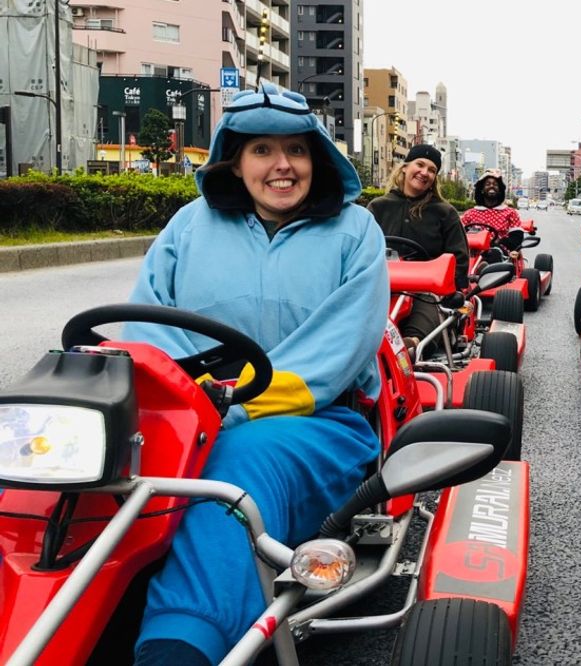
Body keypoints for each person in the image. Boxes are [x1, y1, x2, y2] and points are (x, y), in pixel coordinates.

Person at [125, 84, 389, 666]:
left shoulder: (356, 231)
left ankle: (184, 640)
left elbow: (340, 346)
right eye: (262, 150)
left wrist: (235, 406)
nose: (281, 166)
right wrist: (194, 399)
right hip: (189, 413)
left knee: (232, 470)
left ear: (316, 158)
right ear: (236, 161)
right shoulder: (189, 226)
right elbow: (147, 320)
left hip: (321, 419)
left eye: (295, 149)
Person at [368, 144, 469, 355]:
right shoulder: (379, 207)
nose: (425, 173)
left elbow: (458, 256)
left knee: (430, 308)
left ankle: (411, 346)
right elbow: (361, 249)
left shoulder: (444, 212)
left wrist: (455, 291)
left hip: (426, 290)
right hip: (382, 285)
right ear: (405, 168)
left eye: (432, 170)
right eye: (420, 165)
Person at [460, 168, 525, 270]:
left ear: (500, 190)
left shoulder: (510, 213)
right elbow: (458, 234)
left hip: (499, 251)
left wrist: (498, 242)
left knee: (493, 253)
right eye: (488, 184)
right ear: (481, 189)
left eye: (495, 184)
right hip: (472, 251)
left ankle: (485, 271)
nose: (491, 186)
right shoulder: (470, 214)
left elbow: (517, 237)